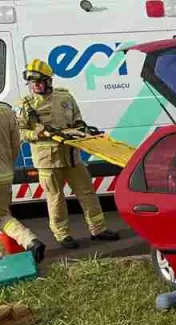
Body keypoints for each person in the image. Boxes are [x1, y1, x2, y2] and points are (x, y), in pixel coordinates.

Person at [16, 59, 119, 249]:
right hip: (48, 161)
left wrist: (81, 127)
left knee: (87, 192)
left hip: (72, 156)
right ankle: (62, 235)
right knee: (55, 199)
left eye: (39, 81)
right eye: (31, 82)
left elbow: (78, 118)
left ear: (48, 81)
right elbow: (21, 132)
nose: (35, 85)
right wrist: (36, 133)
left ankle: (98, 229)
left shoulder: (65, 97)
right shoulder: (27, 105)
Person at [0, 101, 45, 262]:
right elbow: (15, 146)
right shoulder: (5, 110)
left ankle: (4, 260)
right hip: (4, 175)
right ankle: (29, 241)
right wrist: (7, 166)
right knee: (3, 216)